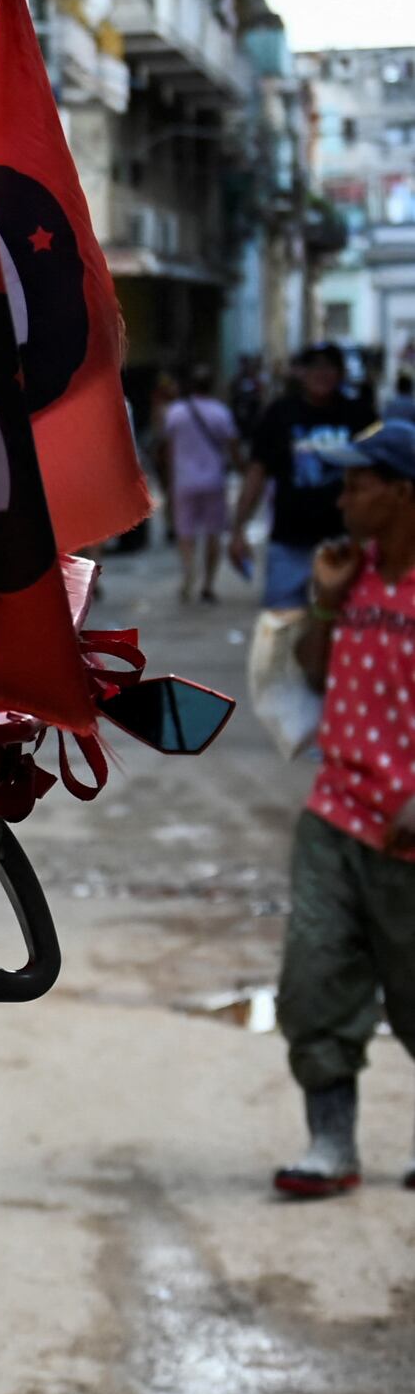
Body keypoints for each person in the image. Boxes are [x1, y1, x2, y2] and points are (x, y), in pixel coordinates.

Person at [271, 423, 415, 1196]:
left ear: (402, 494)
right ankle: (332, 1143)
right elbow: (313, 675)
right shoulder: (351, 573)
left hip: (408, 832)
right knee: (314, 976)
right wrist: (325, 603)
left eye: (358, 485)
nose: (342, 499)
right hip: (336, 811)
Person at [232, 345, 381, 610]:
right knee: (284, 621)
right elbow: (257, 472)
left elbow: (381, 478)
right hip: (290, 542)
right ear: (301, 372)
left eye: (329, 366)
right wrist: (238, 529)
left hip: (346, 542)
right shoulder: (280, 414)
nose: (321, 373)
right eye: (314, 366)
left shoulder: (360, 415)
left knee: (344, 621)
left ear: (340, 373)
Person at [152, 364, 240, 603]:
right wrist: (240, 467)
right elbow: (233, 445)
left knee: (185, 532)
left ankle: (189, 567)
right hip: (214, 481)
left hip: (184, 481)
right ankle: (208, 584)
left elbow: (167, 448)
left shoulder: (176, 412)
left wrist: (168, 480)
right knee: (213, 532)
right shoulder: (221, 412)